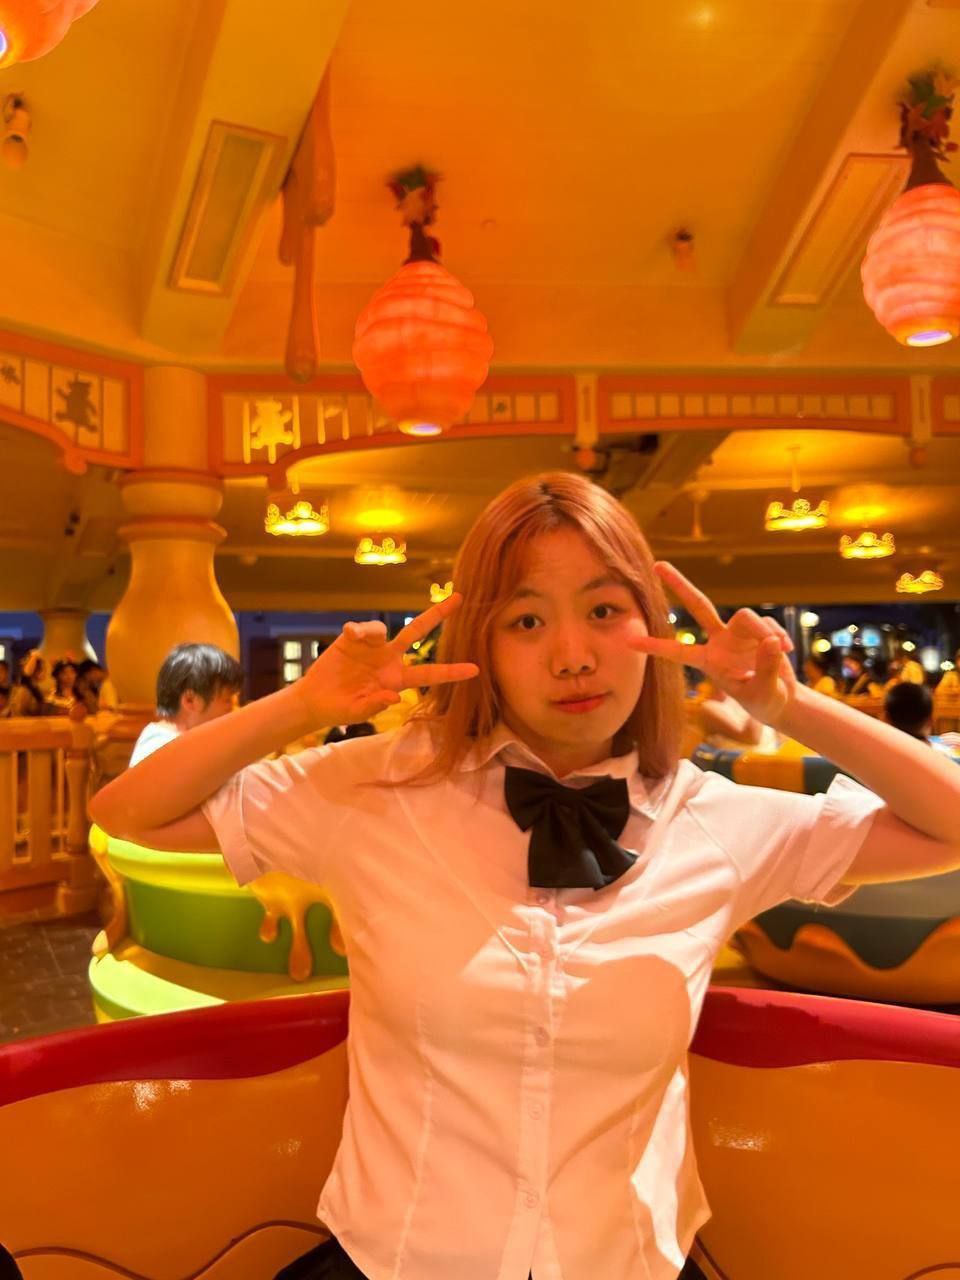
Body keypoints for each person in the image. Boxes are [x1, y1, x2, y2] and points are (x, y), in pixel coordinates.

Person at [91, 472, 960, 1280]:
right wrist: (301, 706)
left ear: (653, 625)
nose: (573, 656)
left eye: (605, 610)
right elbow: (130, 812)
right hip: (402, 1260)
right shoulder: (374, 792)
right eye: (527, 621)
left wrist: (791, 706)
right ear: (483, 640)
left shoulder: (715, 821)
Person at [128, 643, 242, 766]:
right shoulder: (159, 747)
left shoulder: (189, 741)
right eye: (228, 701)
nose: (235, 711)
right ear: (190, 700)